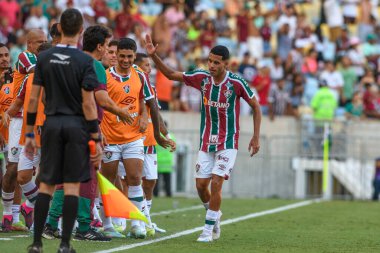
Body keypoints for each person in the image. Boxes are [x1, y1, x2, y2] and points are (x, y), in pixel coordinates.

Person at [145, 35, 261, 242]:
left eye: (217, 62)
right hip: (207, 140)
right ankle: (215, 214)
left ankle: (208, 230)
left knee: (216, 183)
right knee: (200, 186)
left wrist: (255, 137)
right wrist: (154, 56)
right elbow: (171, 74)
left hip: (228, 141)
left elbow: (256, 106)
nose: (212, 65)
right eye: (210, 61)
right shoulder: (202, 78)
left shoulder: (236, 82)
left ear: (226, 63)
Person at [42, 25, 133, 242]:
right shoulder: (95, 67)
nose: (108, 51)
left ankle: (51, 224)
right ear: (100, 46)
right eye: (108, 46)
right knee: (87, 178)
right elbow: (100, 99)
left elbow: (46, 96)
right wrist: (121, 111)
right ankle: (84, 227)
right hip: (82, 129)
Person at [25, 8, 102, 253]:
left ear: (59, 29)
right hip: (76, 126)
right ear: (81, 31)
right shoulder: (85, 61)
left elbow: (35, 99)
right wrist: (95, 136)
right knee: (71, 186)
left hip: (51, 124)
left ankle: (37, 243)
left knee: (47, 184)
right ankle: (65, 244)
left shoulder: (45, 58)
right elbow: (89, 103)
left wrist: (28, 133)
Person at [99, 38, 171, 239]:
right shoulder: (104, 77)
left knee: (135, 179)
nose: (125, 60)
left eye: (129, 56)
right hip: (110, 137)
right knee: (108, 182)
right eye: (121, 56)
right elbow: (97, 105)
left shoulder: (140, 75)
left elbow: (147, 101)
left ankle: (137, 225)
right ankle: (107, 225)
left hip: (133, 138)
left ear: (134, 56)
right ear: (116, 55)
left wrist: (144, 117)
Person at [1, 29, 46, 232]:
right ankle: (8, 215)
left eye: (45, 42)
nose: (42, 46)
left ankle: (28, 207)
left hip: (37, 119)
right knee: (13, 169)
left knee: (39, 170)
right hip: (19, 120)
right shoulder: (25, 57)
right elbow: (38, 73)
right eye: (39, 43)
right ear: (29, 44)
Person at [135, 52, 176, 236]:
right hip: (134, 140)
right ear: (136, 67)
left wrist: (166, 134)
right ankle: (136, 223)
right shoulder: (133, 85)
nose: (150, 69)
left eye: (150, 66)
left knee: (150, 181)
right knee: (130, 182)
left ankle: (146, 219)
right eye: (146, 65)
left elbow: (156, 114)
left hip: (151, 141)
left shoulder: (151, 87)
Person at [155, 121, 176, 198]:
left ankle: (155, 194)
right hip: (168, 162)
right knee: (167, 181)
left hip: (158, 162)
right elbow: (175, 147)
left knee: (156, 181)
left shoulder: (156, 136)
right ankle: (168, 194)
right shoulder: (171, 137)